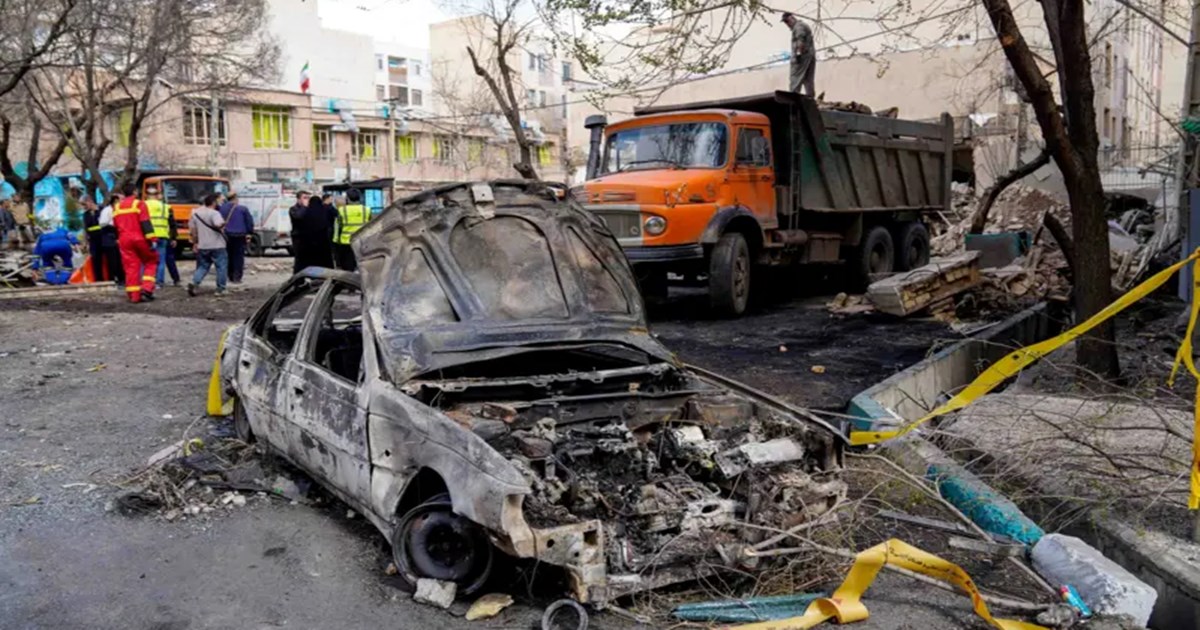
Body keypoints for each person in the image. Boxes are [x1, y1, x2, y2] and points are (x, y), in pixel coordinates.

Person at [113, 182, 159, 302]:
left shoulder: (117, 207)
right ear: (134, 192)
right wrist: (152, 239)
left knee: (131, 266)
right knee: (151, 261)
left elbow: (116, 225)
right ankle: (147, 289)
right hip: (139, 238)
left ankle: (134, 296)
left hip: (124, 240)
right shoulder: (139, 204)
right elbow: (145, 223)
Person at [188, 193, 228, 297]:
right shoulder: (215, 214)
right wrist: (224, 224)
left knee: (203, 266)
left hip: (203, 245)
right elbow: (218, 225)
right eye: (219, 201)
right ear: (214, 202)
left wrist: (195, 243)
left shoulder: (195, 213)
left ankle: (195, 282)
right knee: (221, 267)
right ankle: (220, 289)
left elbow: (193, 230)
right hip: (217, 245)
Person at [145, 185, 181, 287]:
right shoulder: (166, 207)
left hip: (148, 236)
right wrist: (173, 237)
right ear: (157, 195)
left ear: (147, 195)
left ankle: (146, 282)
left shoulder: (142, 205)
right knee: (160, 260)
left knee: (147, 260)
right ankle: (159, 282)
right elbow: (172, 223)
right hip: (162, 235)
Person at [218, 192, 254, 284]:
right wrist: (249, 232)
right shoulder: (242, 209)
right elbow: (249, 222)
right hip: (239, 235)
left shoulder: (222, 209)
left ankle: (230, 275)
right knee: (238, 257)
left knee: (228, 255)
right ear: (235, 198)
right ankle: (237, 277)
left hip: (226, 235)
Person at [333, 188, 368, 271]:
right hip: (362, 242)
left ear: (347, 198)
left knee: (348, 267)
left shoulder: (341, 210)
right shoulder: (366, 210)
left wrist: (336, 241)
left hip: (346, 242)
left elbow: (337, 227)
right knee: (362, 265)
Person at [782, 12, 815, 97]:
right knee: (808, 80)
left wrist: (798, 55)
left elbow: (801, 41)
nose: (787, 24)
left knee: (795, 80)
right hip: (809, 56)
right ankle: (810, 99)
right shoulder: (801, 26)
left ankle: (793, 100)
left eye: (787, 21)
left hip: (803, 57)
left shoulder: (799, 26)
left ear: (792, 18)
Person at [98, 194, 124, 285]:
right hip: (109, 237)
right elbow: (103, 224)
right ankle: (113, 279)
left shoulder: (118, 210)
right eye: (121, 200)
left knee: (120, 260)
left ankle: (121, 278)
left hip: (117, 236)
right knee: (112, 260)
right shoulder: (107, 211)